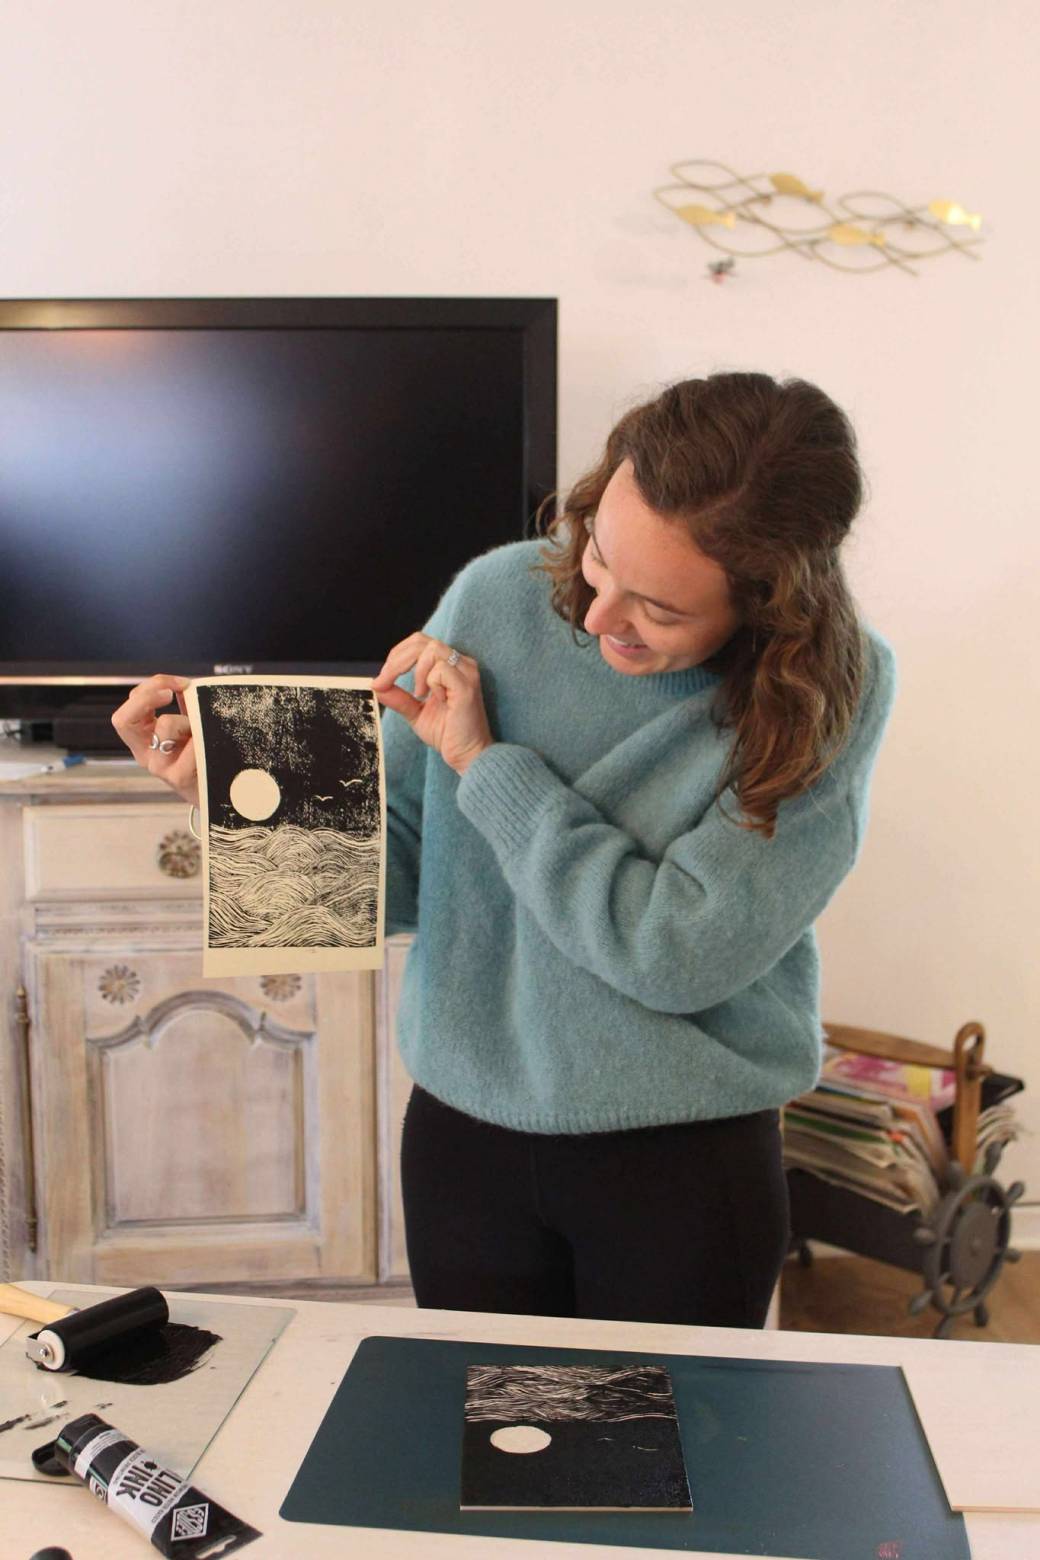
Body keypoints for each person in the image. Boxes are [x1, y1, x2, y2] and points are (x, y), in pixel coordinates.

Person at [112, 371, 895, 1330]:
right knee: (488, 1425)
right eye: (599, 556)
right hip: (465, 1142)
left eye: (658, 609)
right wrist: (232, 795)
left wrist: (487, 765)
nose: (598, 617)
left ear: (770, 607)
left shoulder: (827, 689)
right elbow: (399, 871)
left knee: (649, 1434)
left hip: (681, 1164)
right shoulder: (496, 595)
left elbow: (678, 953)